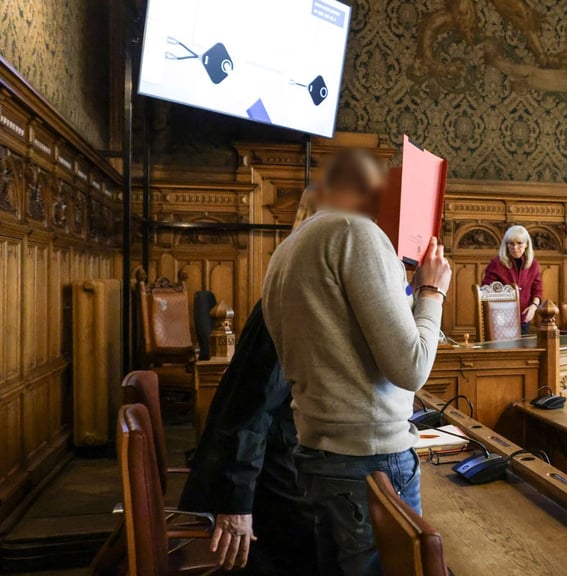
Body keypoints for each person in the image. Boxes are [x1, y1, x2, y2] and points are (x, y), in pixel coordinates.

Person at [262, 149, 450, 576]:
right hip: (370, 459)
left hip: (317, 453)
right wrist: (432, 293)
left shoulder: (286, 250)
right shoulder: (356, 233)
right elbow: (411, 367)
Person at [178, 187, 320, 574]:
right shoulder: (296, 293)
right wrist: (237, 503)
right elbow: (253, 405)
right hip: (272, 480)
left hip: (277, 461)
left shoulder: (297, 280)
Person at [482, 225, 543, 335]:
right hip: (500, 318)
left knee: (522, 349)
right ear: (506, 245)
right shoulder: (496, 263)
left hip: (523, 317)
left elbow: (537, 290)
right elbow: (485, 290)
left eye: (519, 243)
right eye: (511, 243)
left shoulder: (533, 264)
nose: (515, 247)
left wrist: (533, 307)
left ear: (526, 244)